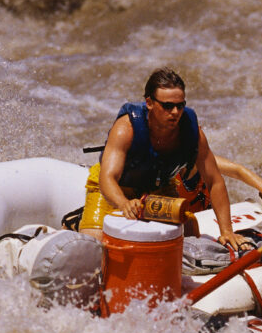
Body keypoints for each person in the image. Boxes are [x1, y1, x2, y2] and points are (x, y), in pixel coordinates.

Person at [79, 67, 251, 250]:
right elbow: (107, 178)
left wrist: (227, 231)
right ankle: (76, 220)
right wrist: (124, 204)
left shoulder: (193, 132)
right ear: (149, 103)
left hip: (158, 190)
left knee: (189, 233)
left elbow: (214, 181)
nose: (175, 112)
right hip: (114, 190)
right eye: (168, 106)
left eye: (180, 105)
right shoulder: (125, 128)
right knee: (94, 248)